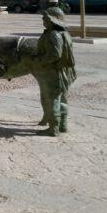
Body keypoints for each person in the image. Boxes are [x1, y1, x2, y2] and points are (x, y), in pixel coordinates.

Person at [34, 7, 76, 136]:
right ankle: (63, 125)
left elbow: (54, 55)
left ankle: (53, 128)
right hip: (64, 70)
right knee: (62, 98)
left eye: (45, 18)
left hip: (54, 71)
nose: (43, 20)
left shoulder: (54, 34)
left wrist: (38, 60)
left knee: (53, 99)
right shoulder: (64, 33)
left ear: (52, 20)